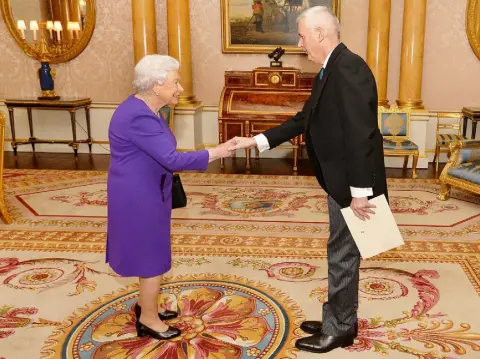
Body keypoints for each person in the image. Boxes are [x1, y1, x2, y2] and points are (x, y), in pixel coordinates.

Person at [229, 6, 388, 354]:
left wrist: (360, 194)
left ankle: (341, 328)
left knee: (343, 254)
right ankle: (339, 317)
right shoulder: (330, 68)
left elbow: (362, 134)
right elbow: (304, 119)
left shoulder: (349, 69)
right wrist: (255, 141)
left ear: (319, 33)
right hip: (341, 178)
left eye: (301, 35)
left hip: (353, 183)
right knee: (340, 250)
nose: (299, 43)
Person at [106, 54, 235, 341]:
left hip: (144, 189)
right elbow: (172, 158)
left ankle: (146, 306)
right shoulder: (139, 114)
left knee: (147, 251)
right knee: (151, 255)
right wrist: (219, 151)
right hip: (139, 196)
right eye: (175, 82)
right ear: (155, 86)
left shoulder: (147, 108)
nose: (180, 88)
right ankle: (149, 319)